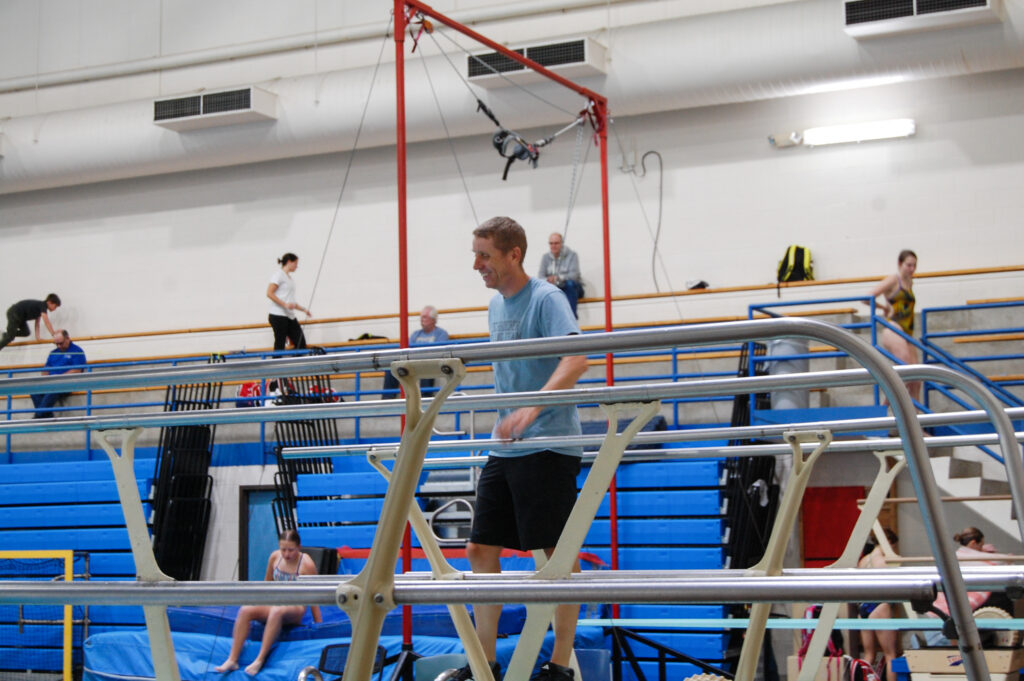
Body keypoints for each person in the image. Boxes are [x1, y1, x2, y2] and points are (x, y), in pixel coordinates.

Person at [458, 217, 588, 681]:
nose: (477, 265)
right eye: (475, 254)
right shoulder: (496, 306)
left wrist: (531, 412)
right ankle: (484, 665)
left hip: (549, 443)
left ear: (514, 254)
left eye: (485, 255)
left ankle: (559, 667)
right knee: (478, 549)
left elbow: (577, 357)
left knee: (555, 554)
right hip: (507, 444)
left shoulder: (547, 298)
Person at [215, 529, 321, 675]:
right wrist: (258, 604)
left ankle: (260, 659)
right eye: (283, 549)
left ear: (299, 547)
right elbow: (267, 584)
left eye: (291, 550)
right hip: (276, 601)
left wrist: (319, 625)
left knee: (276, 611)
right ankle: (232, 659)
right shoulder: (274, 557)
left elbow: (314, 595)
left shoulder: (306, 564)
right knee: (246, 610)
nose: (286, 554)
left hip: (296, 606)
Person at [922, 526, 1008, 647]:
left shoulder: (952, 556)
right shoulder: (978, 558)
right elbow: (1002, 560)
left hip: (936, 612)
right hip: (953, 612)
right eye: (980, 545)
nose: (981, 549)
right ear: (973, 543)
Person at [868, 250, 920, 402]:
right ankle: (886, 411)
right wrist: (883, 308)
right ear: (900, 264)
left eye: (914, 266)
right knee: (904, 375)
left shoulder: (910, 282)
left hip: (908, 332)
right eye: (909, 265)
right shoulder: (893, 280)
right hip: (894, 328)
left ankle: (916, 422)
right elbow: (868, 297)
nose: (912, 269)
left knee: (916, 380)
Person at [857, 529, 901, 681]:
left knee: (869, 655)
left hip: (863, 608)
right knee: (890, 655)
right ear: (889, 542)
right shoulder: (885, 561)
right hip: (880, 605)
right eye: (893, 547)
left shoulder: (863, 561)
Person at [383, 305, 452, 397]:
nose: (422, 319)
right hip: (413, 363)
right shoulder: (416, 334)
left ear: (433, 319)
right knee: (392, 368)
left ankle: (425, 399)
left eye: (424, 317)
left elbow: (440, 351)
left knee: (427, 368)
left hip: (430, 363)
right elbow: (408, 350)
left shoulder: (441, 333)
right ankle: (387, 399)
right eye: (421, 317)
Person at [30, 330, 86, 419]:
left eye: (61, 343)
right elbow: (46, 370)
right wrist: (45, 379)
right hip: (52, 382)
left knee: (54, 389)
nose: (59, 346)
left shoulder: (77, 351)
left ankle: (39, 415)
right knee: (34, 391)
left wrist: (59, 378)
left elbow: (77, 370)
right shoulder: (53, 353)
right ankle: (46, 415)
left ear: (67, 338)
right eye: (57, 344)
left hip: (67, 383)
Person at [267, 253, 311, 352]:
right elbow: (269, 293)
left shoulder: (289, 279)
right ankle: (277, 364)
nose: (297, 266)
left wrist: (303, 309)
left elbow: (291, 300)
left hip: (289, 316)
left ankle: (297, 364)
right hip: (278, 315)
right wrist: (284, 304)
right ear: (289, 262)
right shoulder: (278, 275)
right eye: (295, 263)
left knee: (300, 343)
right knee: (280, 343)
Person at [538, 233, 583, 318]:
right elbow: (540, 276)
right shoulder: (545, 257)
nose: (553, 246)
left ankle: (571, 317)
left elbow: (575, 275)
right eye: (551, 243)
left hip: (572, 288)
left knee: (570, 285)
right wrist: (548, 279)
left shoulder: (572, 255)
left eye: (556, 243)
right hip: (555, 288)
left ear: (561, 243)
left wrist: (559, 278)